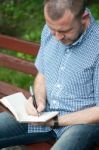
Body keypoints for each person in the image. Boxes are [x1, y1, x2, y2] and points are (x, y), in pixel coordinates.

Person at [0, 0, 99, 149]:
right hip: (45, 114)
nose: (57, 37)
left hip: (81, 123)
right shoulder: (49, 30)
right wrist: (38, 101)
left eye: (65, 31)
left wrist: (56, 121)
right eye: (53, 29)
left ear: (83, 18)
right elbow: (42, 74)